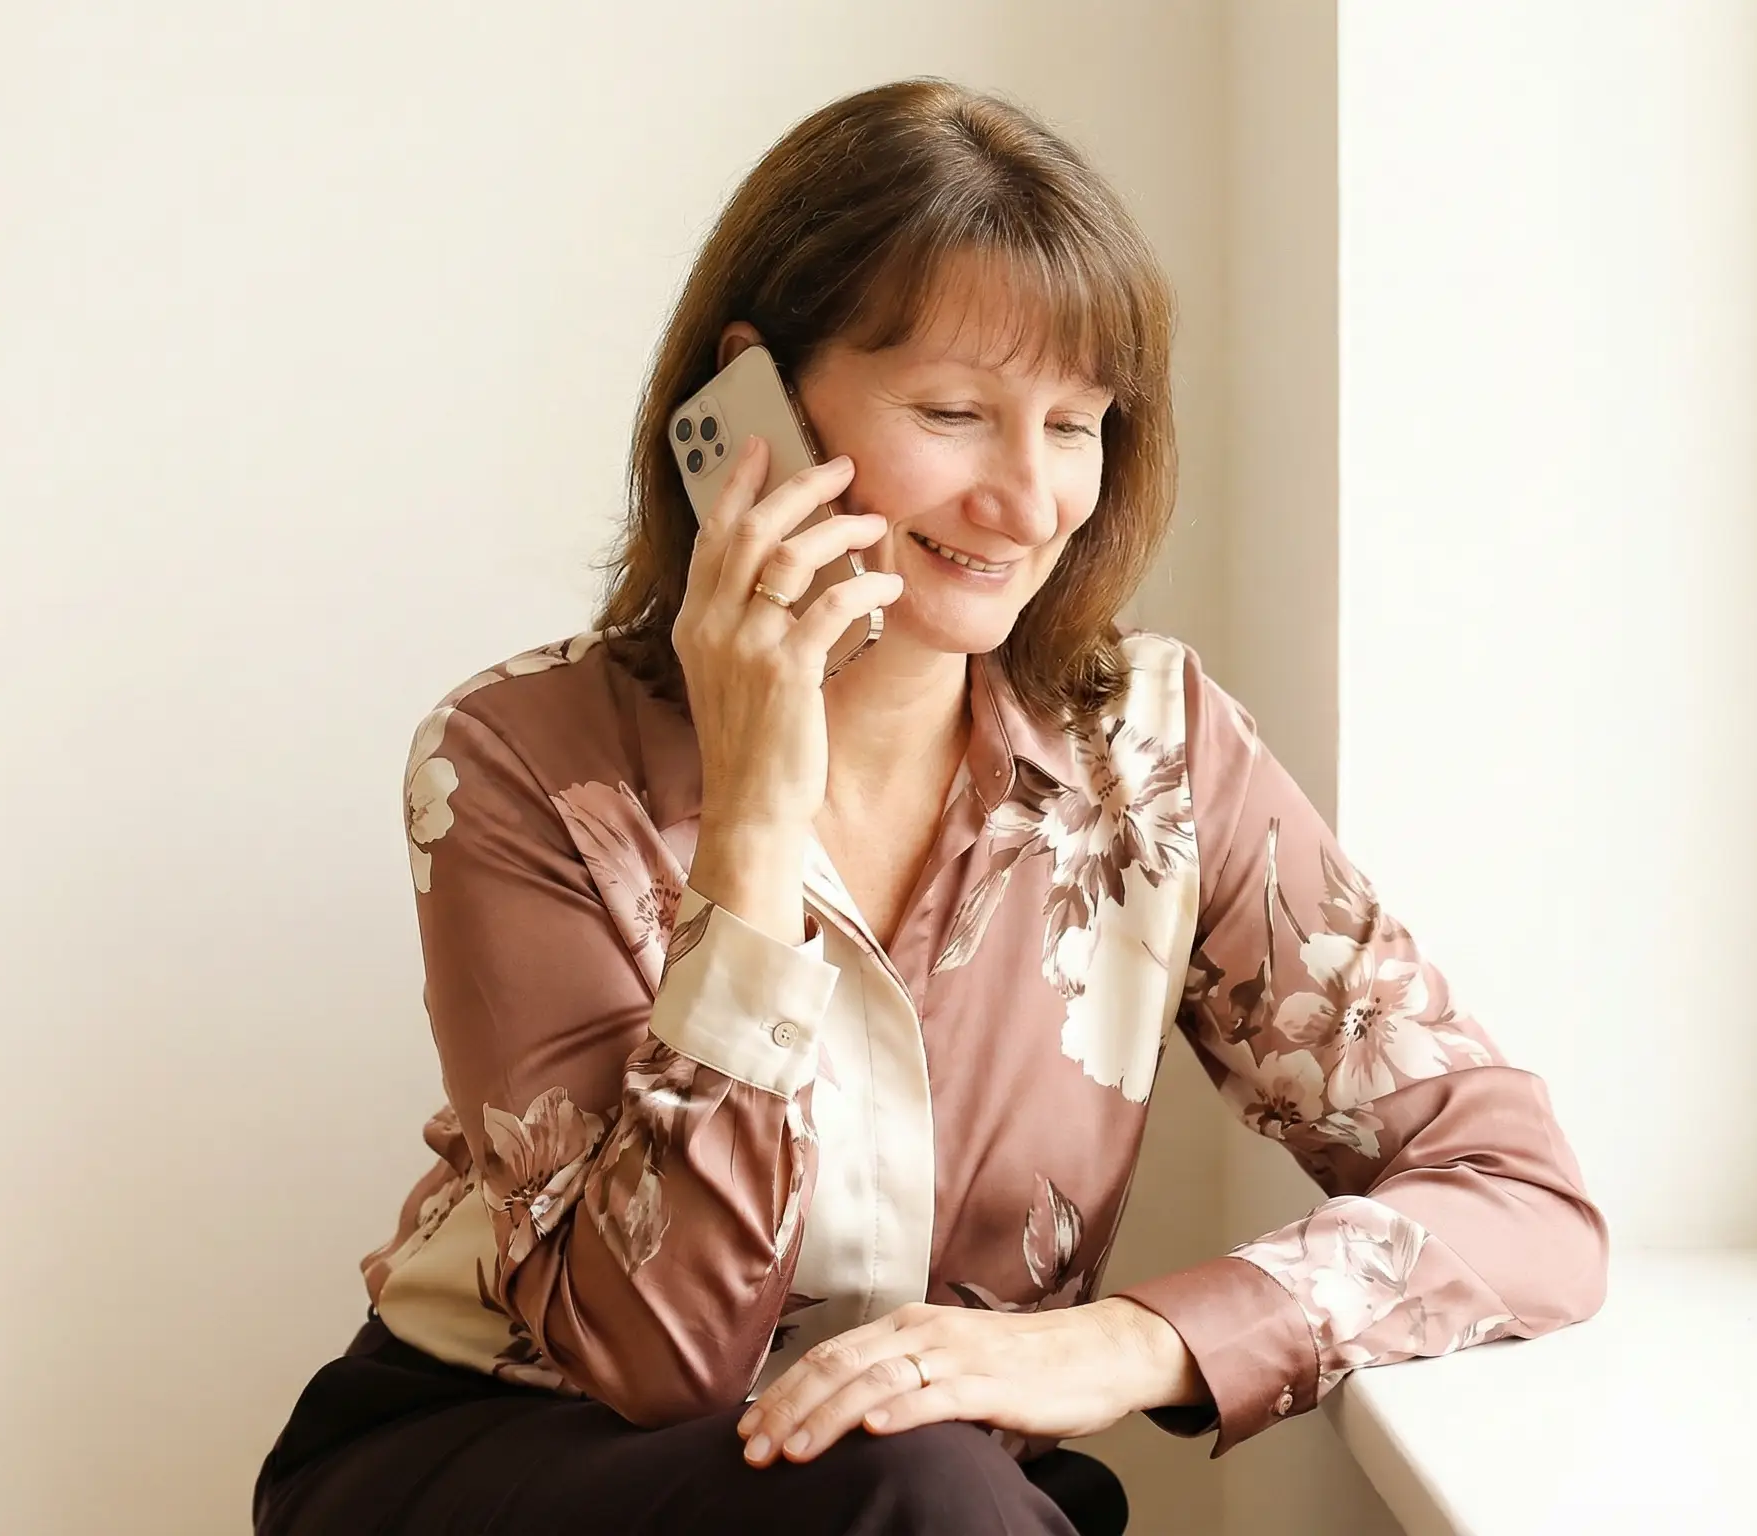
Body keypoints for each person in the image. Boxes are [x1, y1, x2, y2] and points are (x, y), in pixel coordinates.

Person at [251, 77, 1606, 1536]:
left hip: (922, 1493)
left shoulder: (1148, 755)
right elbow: (660, 1361)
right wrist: (761, 821)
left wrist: (1130, 1340)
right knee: (929, 1489)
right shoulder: (519, 760)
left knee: (944, 1484)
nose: (1030, 503)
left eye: (1077, 426)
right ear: (749, 404)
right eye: (957, 414)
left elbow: (1520, 1201)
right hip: (515, 1459)